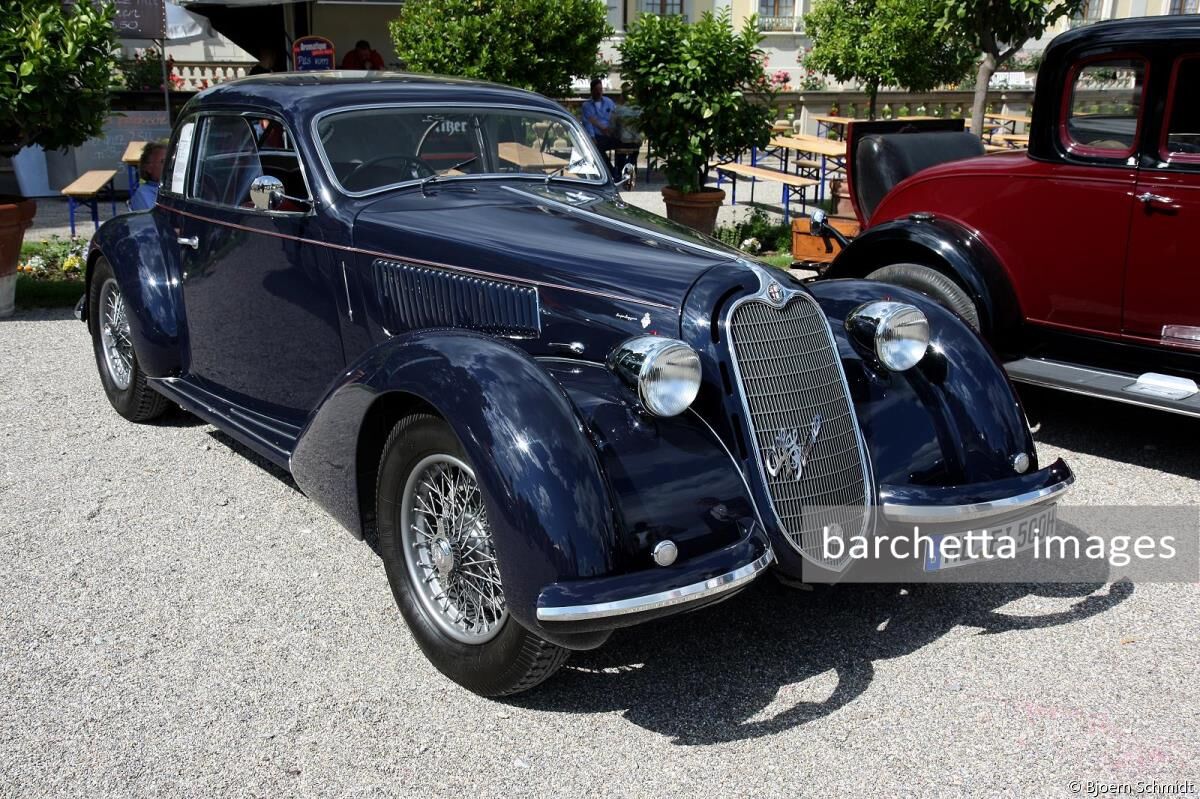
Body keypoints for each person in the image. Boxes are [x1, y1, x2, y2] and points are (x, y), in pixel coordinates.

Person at [581, 78, 621, 176]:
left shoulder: (609, 102)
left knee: (622, 144)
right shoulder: (586, 105)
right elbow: (588, 123)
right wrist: (592, 137)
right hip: (597, 136)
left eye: (600, 89)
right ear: (592, 91)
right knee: (597, 148)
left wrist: (611, 130)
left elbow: (615, 117)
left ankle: (620, 171)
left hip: (610, 134)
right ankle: (611, 172)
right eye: (596, 90)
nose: (599, 92)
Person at [128, 141, 166, 212]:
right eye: (163, 161)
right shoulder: (143, 194)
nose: (169, 165)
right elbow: (155, 221)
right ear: (148, 168)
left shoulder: (169, 188)